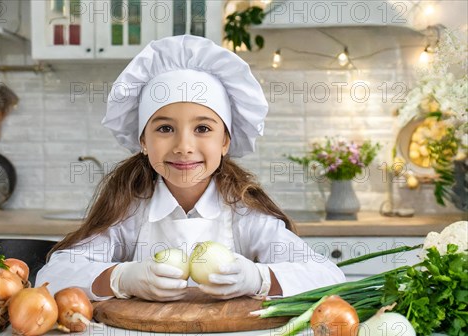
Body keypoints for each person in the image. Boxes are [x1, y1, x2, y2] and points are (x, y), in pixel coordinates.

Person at [36, 35, 345, 302]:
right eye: (165, 128)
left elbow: (327, 276)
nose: (184, 146)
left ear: (225, 141)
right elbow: (53, 276)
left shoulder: (244, 213)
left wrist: (259, 278)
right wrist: (121, 277)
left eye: (202, 129)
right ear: (142, 140)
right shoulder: (129, 210)